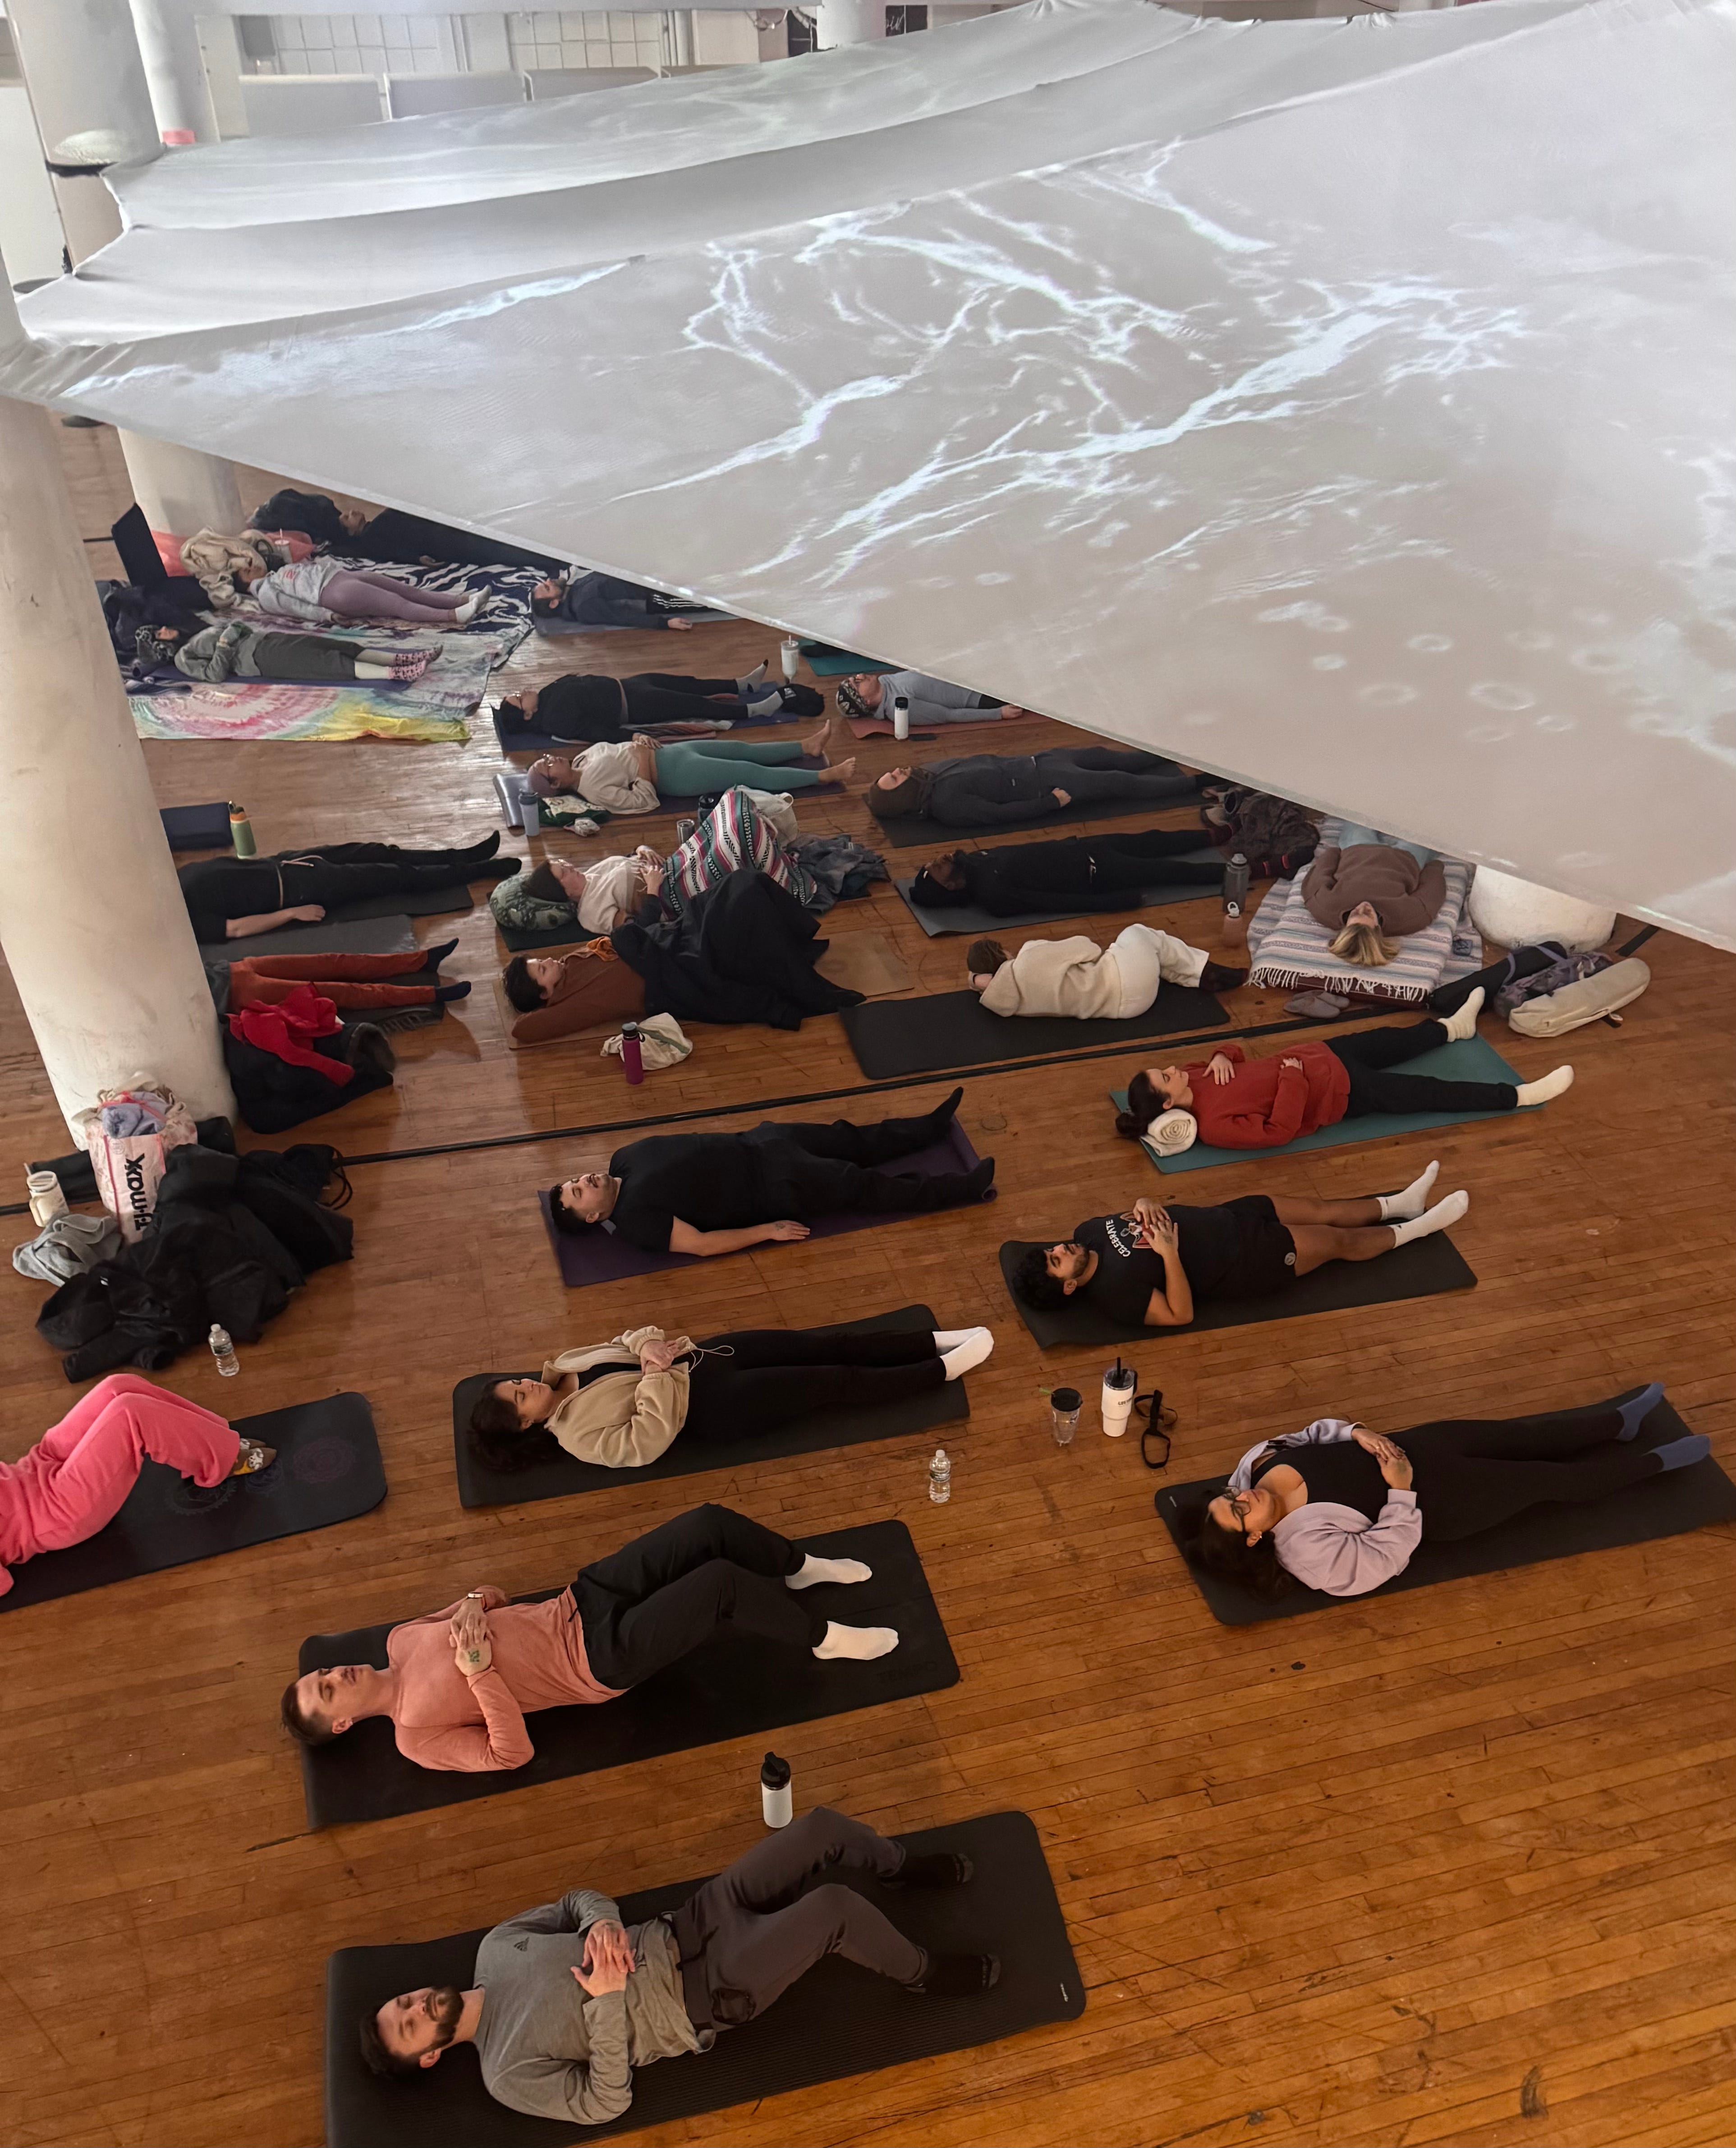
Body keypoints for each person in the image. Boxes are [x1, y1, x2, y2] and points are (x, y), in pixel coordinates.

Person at [358, 1807, 998, 2122]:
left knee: (817, 1828)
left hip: (688, 1921)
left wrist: (600, 1922)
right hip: (702, 1992)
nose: (417, 2005)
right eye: (410, 2025)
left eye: (403, 2002)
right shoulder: (504, 2072)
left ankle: (899, 1867)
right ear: (430, 2055)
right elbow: (605, 2101)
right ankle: (922, 1973)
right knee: (834, 1907)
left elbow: (575, 1901)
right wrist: (607, 1998)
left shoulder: (495, 1948)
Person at [280, 1505, 913, 1771]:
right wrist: (479, 1672)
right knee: (720, 1584)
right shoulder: (414, 1735)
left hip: (580, 1600)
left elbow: (491, 1595)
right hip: (594, 1660)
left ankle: (798, 1566)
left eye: (322, 1673)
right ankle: (823, 1637)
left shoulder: (399, 1640)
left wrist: (472, 1601)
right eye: (327, 1691)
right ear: (342, 1723)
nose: (335, 1674)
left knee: (706, 1525)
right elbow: (509, 1753)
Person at [1177, 1384, 1706, 1599]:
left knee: (1525, 1435)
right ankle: (1656, 1463)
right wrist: (1400, 1491)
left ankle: (1619, 1422)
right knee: (1551, 1479)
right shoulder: (1305, 1553)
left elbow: (1312, 1434)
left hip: (1422, 1443)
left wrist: (1356, 1431)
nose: (1242, 1498)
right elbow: (1383, 1558)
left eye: (1230, 1496)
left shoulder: (1254, 1465)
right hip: (1448, 1499)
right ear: (1252, 1538)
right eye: (1239, 1513)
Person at [469, 1322, 994, 1472]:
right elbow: (646, 1442)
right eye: (520, 1399)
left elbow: (624, 1339)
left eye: (517, 1383)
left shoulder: (564, 1364)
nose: (527, 1386)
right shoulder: (578, 1437)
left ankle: (930, 1340)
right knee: (837, 1380)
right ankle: (940, 1370)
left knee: (824, 1343)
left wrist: (646, 1344)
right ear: (526, 1424)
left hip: (705, 1356)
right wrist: (654, 1375)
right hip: (716, 1406)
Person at [549, 1085, 993, 1256]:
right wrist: (767, 1230)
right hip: (773, 1186)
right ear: (594, 1217)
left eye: (574, 1181)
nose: (582, 1180)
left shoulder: (622, 1159)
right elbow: (701, 1244)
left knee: (852, 1138)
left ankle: (930, 1127)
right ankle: (961, 1188)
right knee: (862, 1185)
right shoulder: (635, 1220)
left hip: (761, 1141)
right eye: (578, 1193)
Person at [1016, 1164, 1469, 1329]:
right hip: (1246, 1261)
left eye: (1053, 1249)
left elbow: (1137, 1215)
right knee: (1337, 1241)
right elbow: (1180, 1314)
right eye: (1057, 1260)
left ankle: (1401, 1203)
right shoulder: (1115, 1296)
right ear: (1069, 1286)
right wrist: (1169, 1253)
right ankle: (1421, 1228)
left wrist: (1145, 1201)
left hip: (1228, 1215)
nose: (1061, 1247)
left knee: (1321, 1207)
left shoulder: (1087, 1231)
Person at [1113, 988, 1574, 1151]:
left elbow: (1232, 1052)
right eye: (1166, 1077)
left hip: (1322, 1053)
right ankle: (1517, 1095)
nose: (1173, 1069)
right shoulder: (1215, 1126)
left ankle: (1454, 1028)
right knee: (1427, 1090)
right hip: (1342, 1093)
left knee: (1396, 1038)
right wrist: (1292, 1077)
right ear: (1168, 1103)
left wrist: (1220, 1054)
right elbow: (1279, 1130)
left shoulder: (1194, 1074)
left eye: (1165, 1068)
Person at [0, 1374, 273, 1597]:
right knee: (131, 1414)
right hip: (55, 1508)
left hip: (36, 1464)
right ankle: (222, 1462)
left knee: (119, 1387)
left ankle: (216, 1438)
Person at [489, 788, 827, 941]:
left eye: (564, 863)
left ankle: (772, 859)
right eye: (564, 873)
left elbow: (625, 860)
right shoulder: (590, 914)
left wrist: (642, 848)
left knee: (731, 801)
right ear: (562, 892)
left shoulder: (591, 876)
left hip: (675, 865)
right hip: (676, 895)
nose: (571, 867)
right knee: (741, 830)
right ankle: (794, 888)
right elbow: (640, 932)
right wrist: (651, 890)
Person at [179, 831, 507, 943]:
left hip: (288, 862)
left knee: (382, 852)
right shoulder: (186, 921)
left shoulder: (174, 879)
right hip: (300, 890)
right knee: (396, 876)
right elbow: (236, 929)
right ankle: (478, 871)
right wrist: (292, 913)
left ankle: (463, 856)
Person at [542, 721, 855, 814]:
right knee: (749, 773)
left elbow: (626, 747)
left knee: (741, 749)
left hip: (673, 752)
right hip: (675, 775)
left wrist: (638, 738)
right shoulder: (594, 790)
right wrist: (642, 760)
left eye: (546, 758)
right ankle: (823, 776)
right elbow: (644, 801)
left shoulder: (583, 758)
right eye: (547, 768)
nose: (551, 759)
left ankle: (807, 746)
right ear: (556, 785)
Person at [498, 663, 819, 749]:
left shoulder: (546, 697)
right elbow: (597, 733)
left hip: (628, 685)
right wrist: (633, 737)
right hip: (634, 705)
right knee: (694, 704)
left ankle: (742, 685)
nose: (522, 691)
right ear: (528, 714)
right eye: (519, 697)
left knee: (689, 683)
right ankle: (755, 710)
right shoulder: (555, 720)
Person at [249, 488, 564, 575]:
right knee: (500, 549)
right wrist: (415, 558)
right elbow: (385, 551)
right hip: (446, 540)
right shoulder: (373, 538)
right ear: (348, 533)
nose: (352, 512)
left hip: (441, 528)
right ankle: (559, 558)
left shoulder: (378, 528)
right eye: (346, 517)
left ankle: (557, 552)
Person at [910, 829, 1224, 915]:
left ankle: (1214, 836)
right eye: (937, 868)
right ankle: (1239, 872)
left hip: (1087, 847)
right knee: (1170, 871)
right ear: (949, 886)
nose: (939, 859)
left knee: (1154, 840)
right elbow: (1052, 902)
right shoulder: (992, 894)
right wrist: (1117, 902)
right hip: (1098, 872)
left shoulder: (973, 860)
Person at [966, 923, 1245, 1018]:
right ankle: (1204, 972)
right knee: (1140, 933)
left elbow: (989, 981)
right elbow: (1089, 949)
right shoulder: (1028, 957)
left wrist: (979, 980)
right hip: (1124, 978)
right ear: (1001, 953)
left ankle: (1188, 975)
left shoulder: (1005, 1001)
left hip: (1124, 1010)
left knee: (1153, 955)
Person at [865, 748, 1199, 827]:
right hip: (1047, 783)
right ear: (902, 796)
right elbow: (1000, 814)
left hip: (1040, 761)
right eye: (894, 779)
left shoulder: (929, 775)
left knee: (1109, 757)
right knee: (1118, 782)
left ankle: (1175, 752)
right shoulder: (947, 805)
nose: (896, 771)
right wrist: (1051, 803)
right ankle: (1195, 783)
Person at [1303, 826, 1449, 968]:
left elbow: (1318, 876)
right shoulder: (1407, 918)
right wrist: (1434, 867)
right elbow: (1433, 889)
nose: (1362, 906)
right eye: (1368, 913)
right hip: (1406, 857)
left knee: (1360, 815)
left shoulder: (1325, 907)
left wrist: (1333, 854)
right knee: (1426, 825)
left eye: (1354, 913)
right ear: (1378, 929)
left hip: (1358, 849)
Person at [226, 938, 471, 1014]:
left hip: (232, 969)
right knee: (341, 992)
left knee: (333, 961)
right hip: (236, 993)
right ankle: (431, 995)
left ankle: (423, 960)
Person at [166, 619, 433, 687]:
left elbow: (235, 627)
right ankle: (395, 673)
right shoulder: (182, 658)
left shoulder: (196, 632)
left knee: (334, 646)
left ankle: (402, 659)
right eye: (159, 634)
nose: (165, 630)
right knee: (326, 663)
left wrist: (235, 630)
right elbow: (214, 675)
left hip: (266, 640)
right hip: (259, 659)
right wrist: (225, 645)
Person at [242, 555, 485, 629]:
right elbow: (294, 607)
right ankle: (454, 616)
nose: (251, 566)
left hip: (340, 577)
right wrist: (327, 615)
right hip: (332, 593)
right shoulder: (266, 594)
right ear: (243, 584)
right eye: (245, 571)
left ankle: (463, 600)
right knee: (396, 603)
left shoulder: (276, 573)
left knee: (406, 590)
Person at [531, 570, 726, 630]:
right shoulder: (584, 607)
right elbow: (623, 617)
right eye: (547, 588)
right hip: (655, 598)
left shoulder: (575, 587)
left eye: (545, 583)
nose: (549, 581)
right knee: (714, 600)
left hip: (651, 580)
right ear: (554, 603)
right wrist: (665, 623)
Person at [836, 670, 1028, 725]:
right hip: (980, 694)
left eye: (855, 677)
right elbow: (949, 715)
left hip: (973, 672)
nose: (860, 676)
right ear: (867, 701)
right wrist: (998, 714)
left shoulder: (885, 681)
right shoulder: (899, 708)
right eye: (857, 683)